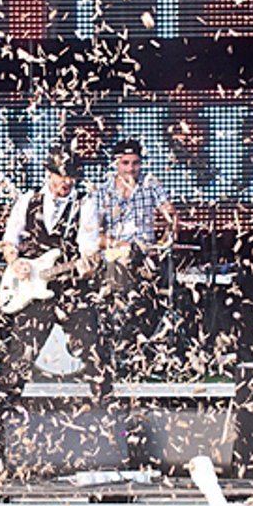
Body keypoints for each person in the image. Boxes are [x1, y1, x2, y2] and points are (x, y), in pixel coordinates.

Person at [0, 151, 110, 423]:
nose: (66, 182)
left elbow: (88, 248)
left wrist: (88, 264)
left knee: (93, 351)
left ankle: (106, 419)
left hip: (70, 287)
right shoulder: (28, 200)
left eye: (71, 177)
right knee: (20, 354)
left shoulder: (85, 204)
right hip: (32, 288)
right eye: (61, 176)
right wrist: (15, 262)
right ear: (49, 174)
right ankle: (2, 421)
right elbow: (10, 240)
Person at [87, 138, 178, 368]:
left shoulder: (150, 185)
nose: (130, 168)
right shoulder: (102, 192)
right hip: (114, 258)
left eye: (135, 163)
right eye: (125, 163)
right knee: (116, 292)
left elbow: (171, 215)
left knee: (157, 291)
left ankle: (153, 352)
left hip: (146, 257)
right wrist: (121, 246)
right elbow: (94, 236)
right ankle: (116, 352)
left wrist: (165, 237)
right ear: (115, 163)